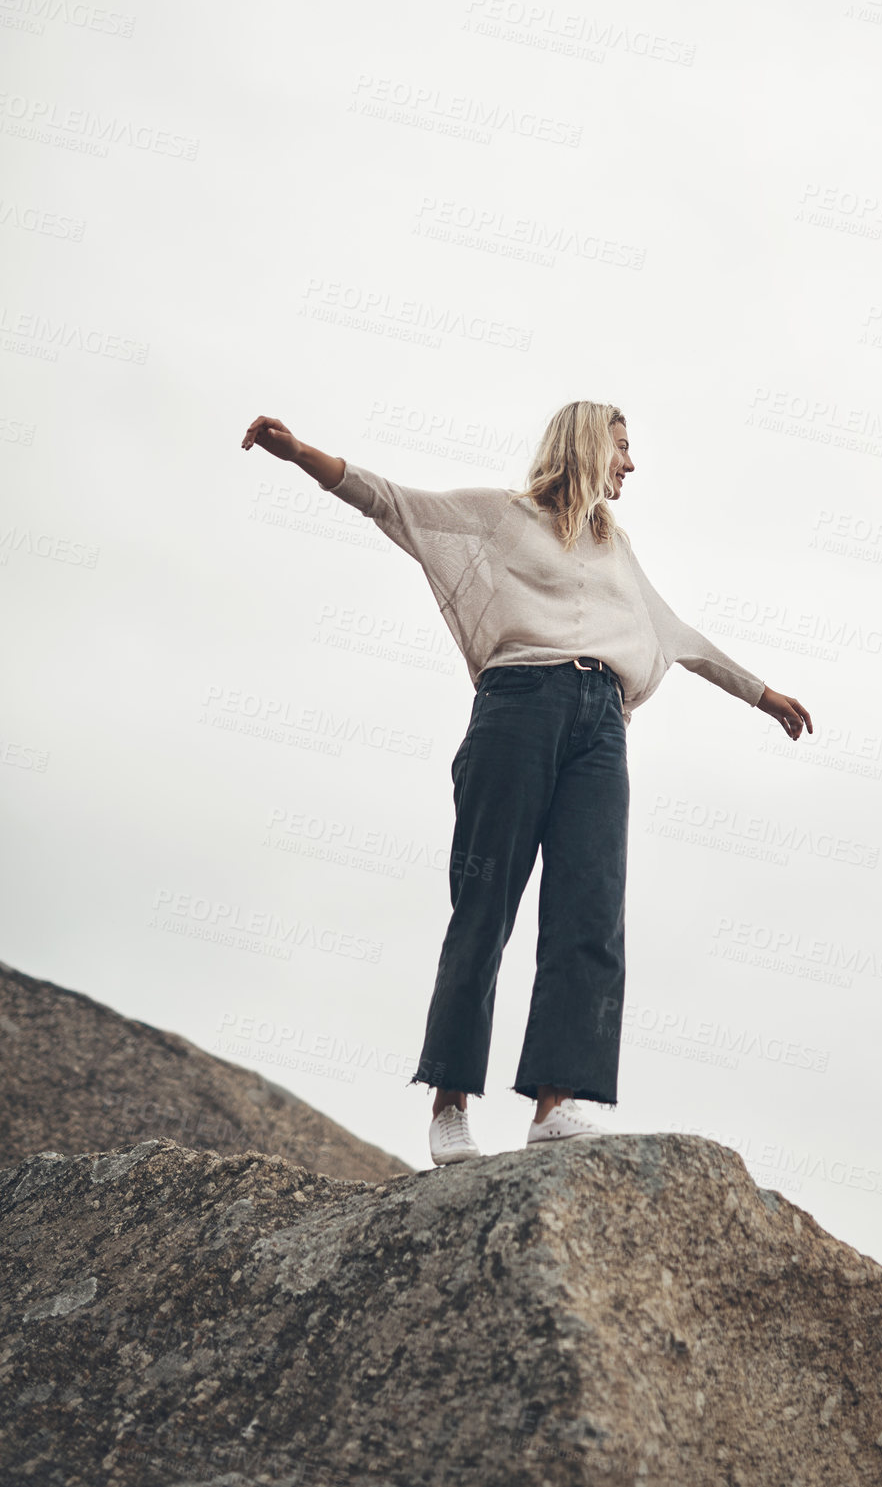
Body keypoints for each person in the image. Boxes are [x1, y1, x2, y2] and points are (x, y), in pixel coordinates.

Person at [242, 401, 811, 1166]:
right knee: (484, 905)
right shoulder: (496, 517)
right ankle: (450, 1105)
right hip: (517, 710)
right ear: (586, 445)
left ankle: (554, 1103)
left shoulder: (616, 545)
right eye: (622, 448)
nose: (630, 465)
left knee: (590, 909)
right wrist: (299, 452)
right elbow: (389, 500)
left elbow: (677, 634)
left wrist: (760, 692)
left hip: (601, 727)